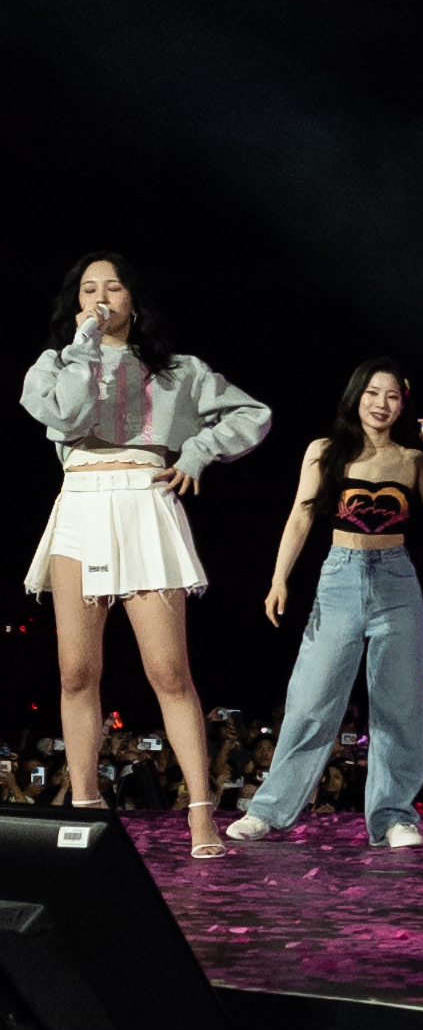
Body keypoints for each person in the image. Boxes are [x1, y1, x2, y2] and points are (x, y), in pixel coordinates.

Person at [20, 252, 270, 858]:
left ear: (133, 299)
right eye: (88, 290)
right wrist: (83, 348)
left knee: (168, 671)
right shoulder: (55, 364)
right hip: (80, 503)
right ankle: (85, 808)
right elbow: (64, 414)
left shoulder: (179, 370)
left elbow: (253, 413)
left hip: (144, 501)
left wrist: (196, 452)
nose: (100, 298)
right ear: (75, 304)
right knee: (76, 672)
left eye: (112, 288)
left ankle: (201, 812)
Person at [227, 361, 423, 849]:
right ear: (356, 396)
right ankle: (267, 810)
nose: (381, 403)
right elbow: (300, 515)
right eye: (372, 393)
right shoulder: (325, 450)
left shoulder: (412, 459)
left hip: (397, 581)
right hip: (340, 577)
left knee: (399, 705)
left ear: (403, 405)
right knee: (311, 699)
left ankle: (394, 818)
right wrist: (279, 578)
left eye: (391, 396)